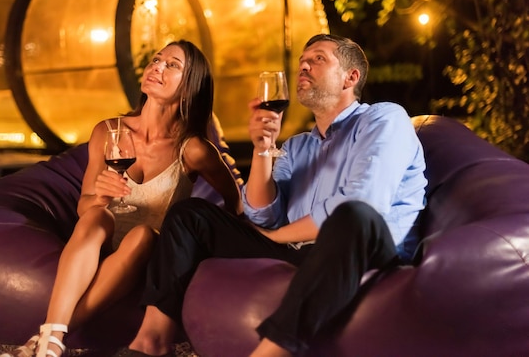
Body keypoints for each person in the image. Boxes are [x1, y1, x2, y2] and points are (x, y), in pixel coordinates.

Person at [114, 34, 427, 357]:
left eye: (318, 59)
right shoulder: (297, 146)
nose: (303, 65)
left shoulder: (383, 119)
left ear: (351, 77)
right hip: (299, 251)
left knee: (354, 216)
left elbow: (363, 203)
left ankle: (272, 351)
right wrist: (263, 149)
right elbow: (262, 215)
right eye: (302, 60)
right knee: (190, 215)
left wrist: (275, 236)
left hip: (365, 250)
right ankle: (150, 342)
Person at [0, 40, 242, 357]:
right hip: (98, 243)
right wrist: (99, 195)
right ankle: (52, 339)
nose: (157, 66)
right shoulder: (108, 132)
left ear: (190, 87)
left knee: (143, 234)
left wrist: (217, 242)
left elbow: (234, 198)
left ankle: (43, 341)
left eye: (172, 65)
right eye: (157, 60)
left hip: (151, 254)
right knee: (99, 215)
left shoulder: (193, 148)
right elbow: (85, 206)